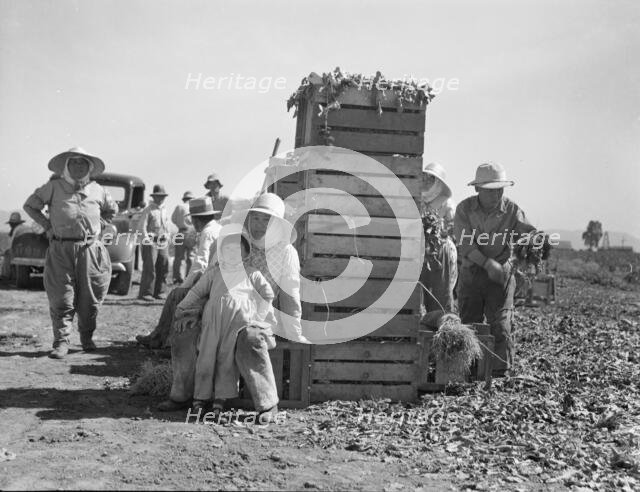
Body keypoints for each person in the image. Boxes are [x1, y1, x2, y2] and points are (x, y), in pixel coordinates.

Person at [158, 193, 308, 421]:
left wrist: (294, 331)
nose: (259, 225)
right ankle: (182, 395)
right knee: (184, 331)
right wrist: (193, 312)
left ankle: (267, 405)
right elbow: (208, 280)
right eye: (255, 218)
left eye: (266, 220)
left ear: (277, 224)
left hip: (257, 317)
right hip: (217, 313)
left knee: (250, 338)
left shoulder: (286, 252)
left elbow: (290, 294)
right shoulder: (234, 243)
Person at [23, 147, 117, 359]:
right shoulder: (53, 187)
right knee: (61, 297)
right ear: (66, 166)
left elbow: (112, 210)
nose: (77, 166)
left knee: (90, 297)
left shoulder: (98, 190)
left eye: (82, 163)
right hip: (60, 249)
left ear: (89, 167)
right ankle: (61, 342)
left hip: (90, 250)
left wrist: (100, 224)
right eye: (72, 163)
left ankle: (86, 337)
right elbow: (30, 205)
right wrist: (47, 226)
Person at [179, 224, 275, 414]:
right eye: (228, 249)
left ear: (245, 252)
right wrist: (182, 306)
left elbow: (267, 294)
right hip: (212, 322)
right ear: (221, 252)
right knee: (205, 358)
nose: (232, 253)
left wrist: (258, 318)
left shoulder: (251, 273)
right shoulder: (214, 272)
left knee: (227, 360)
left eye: (237, 249)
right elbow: (197, 291)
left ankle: (221, 400)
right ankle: (200, 397)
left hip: (237, 323)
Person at [454, 162, 536, 376]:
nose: (496, 194)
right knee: (469, 323)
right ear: (477, 189)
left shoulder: (512, 210)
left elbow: (527, 235)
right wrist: (488, 264)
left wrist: (534, 244)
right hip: (472, 274)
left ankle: (500, 372)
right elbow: (466, 246)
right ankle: (470, 370)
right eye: (490, 190)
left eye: (499, 189)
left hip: (501, 276)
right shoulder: (464, 209)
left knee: (501, 325)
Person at [135, 197, 221, 348]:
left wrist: (186, 286)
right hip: (217, 279)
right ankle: (160, 337)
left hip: (213, 282)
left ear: (196, 220)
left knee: (176, 296)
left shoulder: (207, 233)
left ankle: (165, 340)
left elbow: (200, 264)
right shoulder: (217, 228)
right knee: (175, 293)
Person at [419, 162, 458, 313]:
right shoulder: (416, 200)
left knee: (440, 292)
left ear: (438, 184)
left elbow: (453, 231)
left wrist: (438, 233)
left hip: (441, 253)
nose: (426, 181)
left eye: (431, 179)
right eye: (424, 177)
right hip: (418, 251)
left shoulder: (447, 205)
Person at [138, 184, 170, 301]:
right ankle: (147, 293)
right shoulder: (148, 210)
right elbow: (142, 227)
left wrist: (167, 236)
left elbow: (167, 226)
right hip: (151, 241)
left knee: (164, 265)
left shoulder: (165, 210)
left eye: (162, 196)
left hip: (163, 241)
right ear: (154, 197)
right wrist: (147, 240)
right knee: (150, 267)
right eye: (158, 196)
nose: (161, 198)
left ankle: (160, 291)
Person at [171, 191, 195, 284]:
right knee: (191, 256)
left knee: (178, 257)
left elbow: (173, 219)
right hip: (192, 232)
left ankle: (177, 278)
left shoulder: (179, 207)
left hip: (181, 232)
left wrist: (179, 224)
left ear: (184, 198)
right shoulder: (194, 208)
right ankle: (189, 278)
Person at [1, 212, 26, 279]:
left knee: (7, 254)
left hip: (20, 251)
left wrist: (4, 250)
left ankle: (5, 274)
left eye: (11, 224)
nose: (10, 225)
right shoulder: (23, 227)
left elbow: (12, 244)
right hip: (26, 249)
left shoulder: (16, 230)